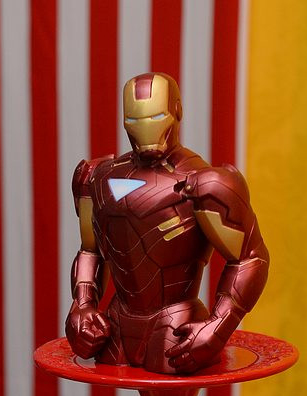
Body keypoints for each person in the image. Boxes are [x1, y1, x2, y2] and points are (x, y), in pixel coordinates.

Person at [66, 72, 269, 375]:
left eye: (156, 116)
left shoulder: (205, 182)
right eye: (134, 120)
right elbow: (90, 250)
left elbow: (251, 258)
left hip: (175, 322)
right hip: (117, 322)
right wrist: (82, 305)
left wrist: (219, 325)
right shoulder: (97, 176)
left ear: (176, 111)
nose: (146, 129)